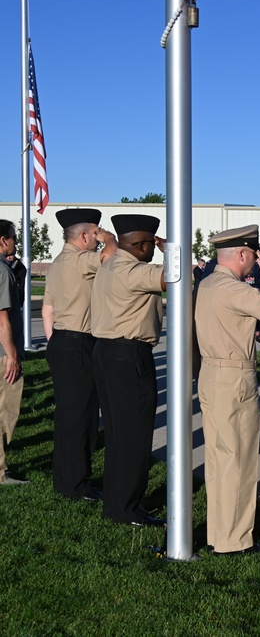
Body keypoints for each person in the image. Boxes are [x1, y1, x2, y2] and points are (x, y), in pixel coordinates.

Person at [195, 225, 260, 555]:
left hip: (211, 374)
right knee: (239, 459)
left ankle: (219, 531)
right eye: (254, 255)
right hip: (234, 378)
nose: (255, 261)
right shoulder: (234, 289)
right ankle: (234, 539)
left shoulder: (207, 283)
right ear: (243, 254)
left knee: (218, 459)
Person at [90, 214, 167, 525]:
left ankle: (117, 502)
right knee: (133, 435)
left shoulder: (109, 265)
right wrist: (171, 247)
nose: (153, 248)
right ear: (141, 244)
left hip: (107, 352)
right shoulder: (133, 270)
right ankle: (127, 508)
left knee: (119, 433)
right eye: (150, 243)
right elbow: (177, 274)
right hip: (129, 353)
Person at [41, 208, 117, 500]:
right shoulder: (81, 260)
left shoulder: (58, 263)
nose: (98, 240)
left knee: (68, 416)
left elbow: (49, 307)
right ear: (84, 236)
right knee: (82, 418)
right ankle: (76, 483)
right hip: (79, 342)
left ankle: (65, 478)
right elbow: (112, 254)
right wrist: (108, 238)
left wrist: (56, 340)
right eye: (95, 234)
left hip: (62, 341)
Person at [0, 220, 26, 486]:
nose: (14, 243)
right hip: (2, 354)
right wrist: (12, 356)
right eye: (13, 238)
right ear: (2, 240)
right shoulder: (3, 272)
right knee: (6, 412)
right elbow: (2, 317)